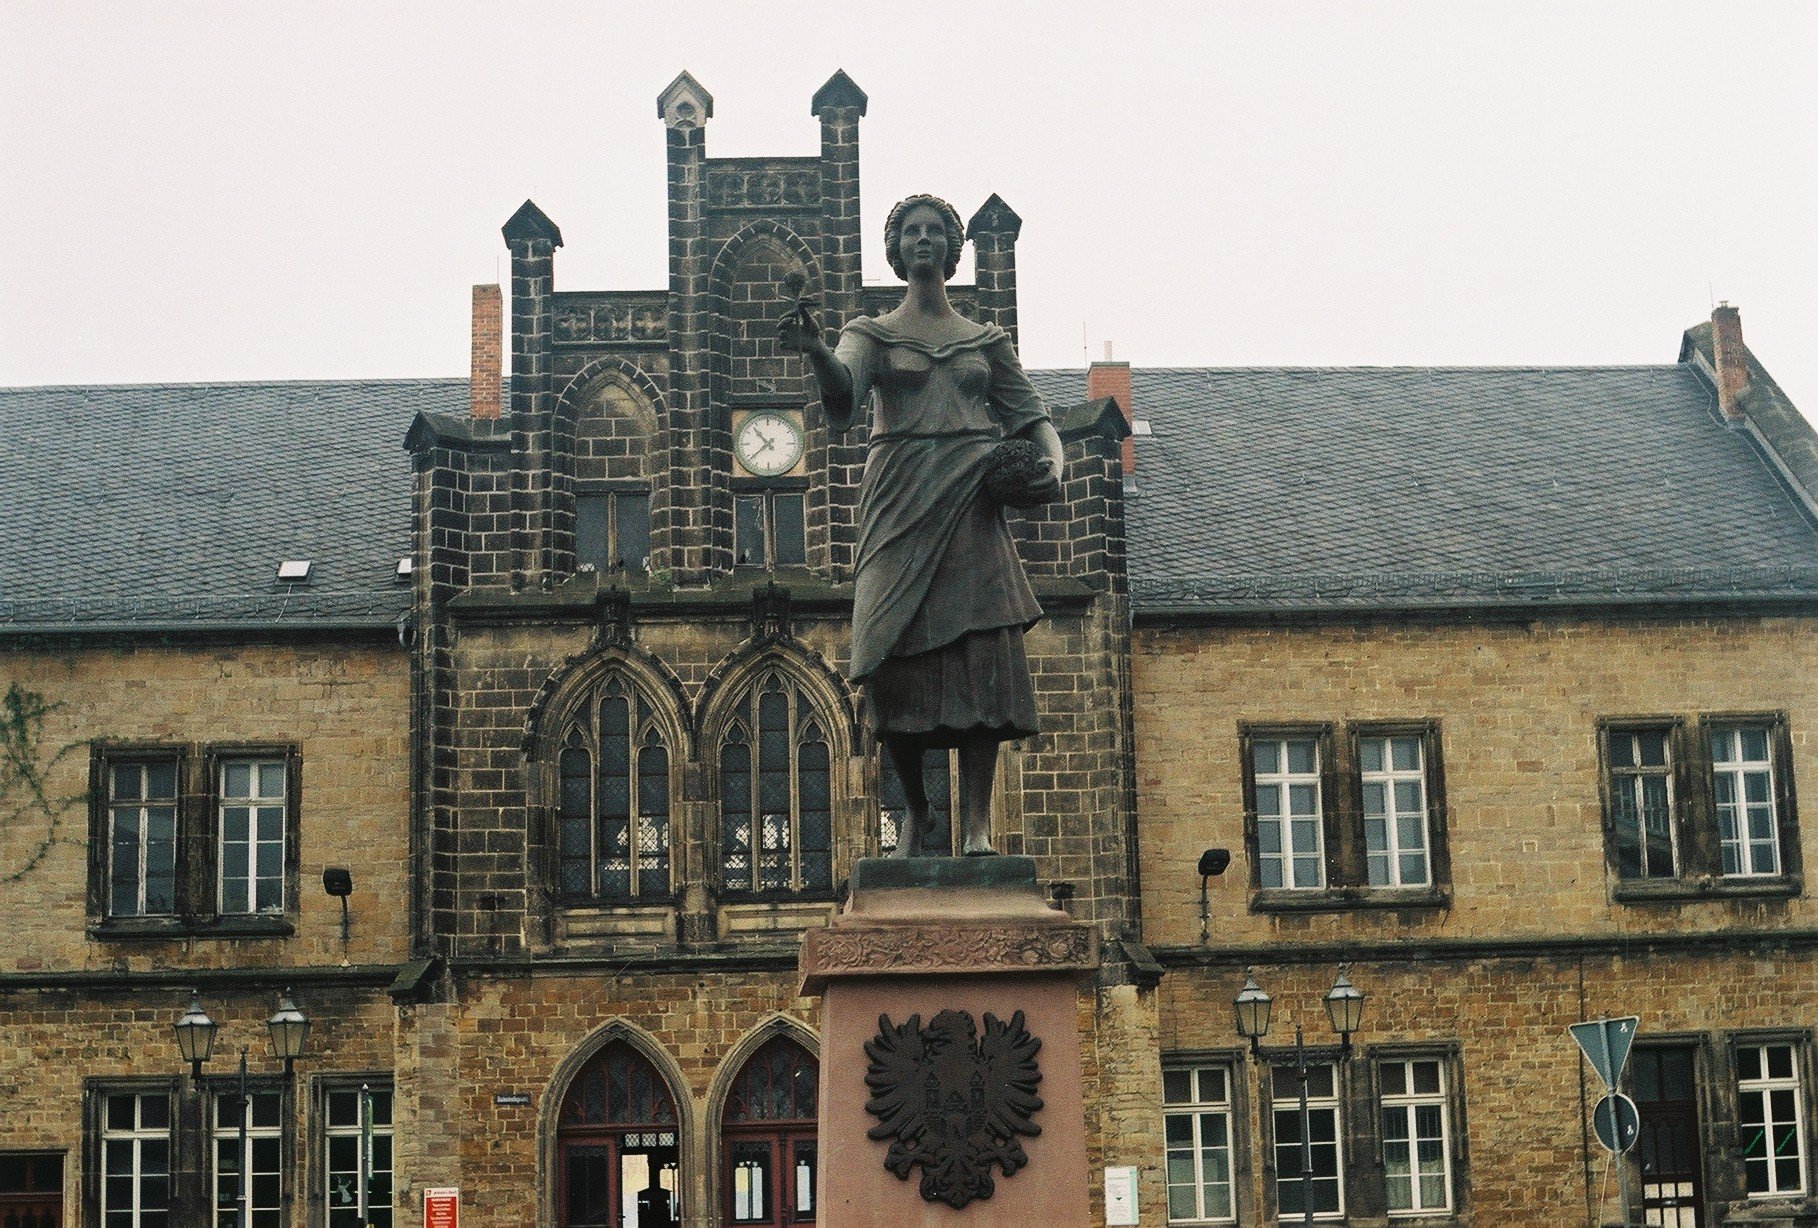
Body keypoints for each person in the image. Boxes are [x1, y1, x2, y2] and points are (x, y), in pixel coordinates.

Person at [778, 193, 1063, 857]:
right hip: (899, 501)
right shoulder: (872, 333)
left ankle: (978, 827)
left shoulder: (985, 342)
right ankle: (916, 810)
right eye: (913, 230)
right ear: (897, 247)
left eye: (937, 231)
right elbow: (845, 392)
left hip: (971, 501)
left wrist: (1054, 462)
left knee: (981, 660)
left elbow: (1033, 417)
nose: (925, 239)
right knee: (887, 660)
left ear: (953, 249)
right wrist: (817, 349)